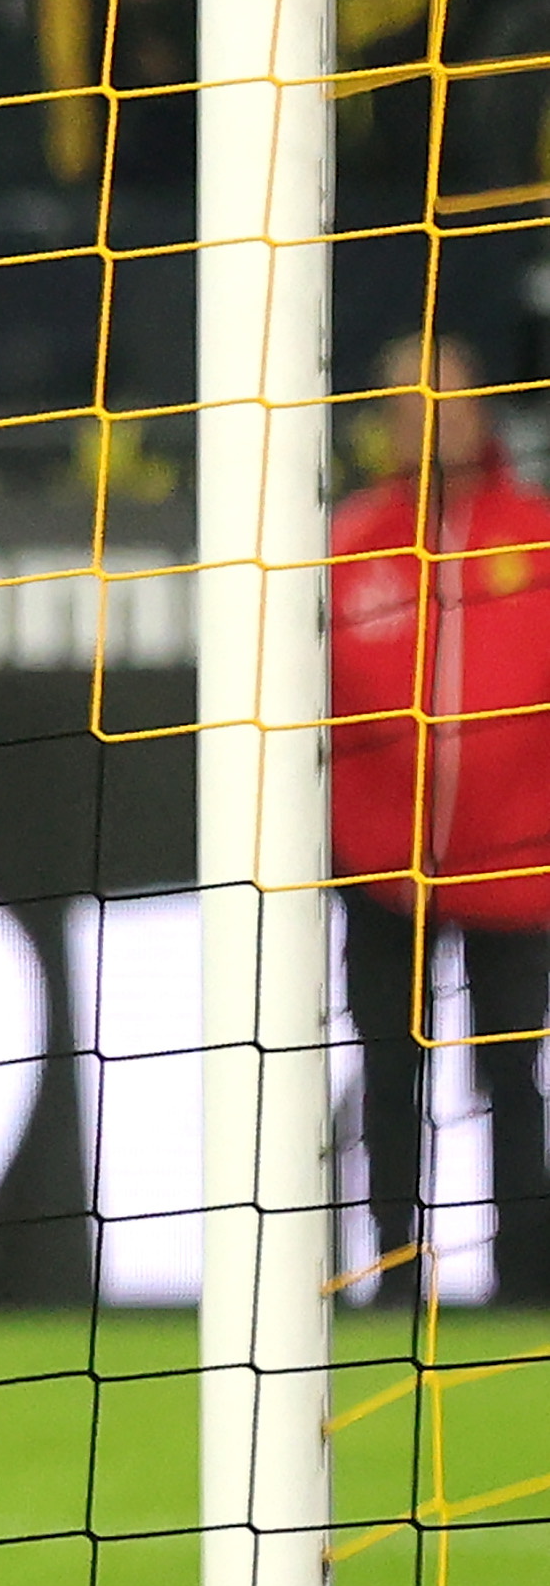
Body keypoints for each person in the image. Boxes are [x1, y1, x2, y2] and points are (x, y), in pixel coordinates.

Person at [329, 330, 550, 1307]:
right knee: (388, 1072)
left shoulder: (535, 535)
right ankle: (392, 1264)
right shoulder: (352, 545)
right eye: (409, 402)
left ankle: (526, 1271)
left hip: (516, 863)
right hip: (384, 867)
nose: (431, 418)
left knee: (512, 1078)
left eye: (448, 399)